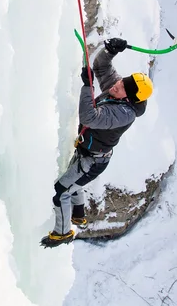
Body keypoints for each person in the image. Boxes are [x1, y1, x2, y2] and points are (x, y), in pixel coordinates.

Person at [41, 37, 154, 248]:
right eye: (120, 82)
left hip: (93, 161)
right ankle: (78, 215)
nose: (116, 86)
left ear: (130, 99)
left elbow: (89, 118)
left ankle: (63, 232)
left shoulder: (124, 113)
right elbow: (102, 67)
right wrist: (110, 51)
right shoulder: (120, 90)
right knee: (75, 183)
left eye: (121, 88)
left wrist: (87, 86)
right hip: (88, 151)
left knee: (60, 192)